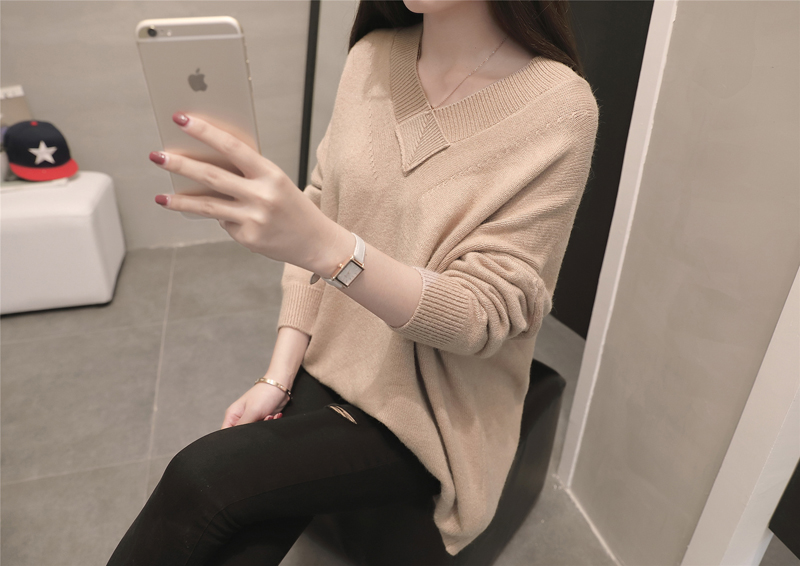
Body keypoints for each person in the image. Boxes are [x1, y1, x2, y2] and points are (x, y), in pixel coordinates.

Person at [107, 0, 599, 564]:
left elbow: (483, 315)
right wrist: (278, 374)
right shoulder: (372, 56)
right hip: (331, 361)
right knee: (234, 533)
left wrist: (327, 246)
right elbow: (322, 204)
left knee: (203, 475)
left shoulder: (559, 107)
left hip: (434, 408)